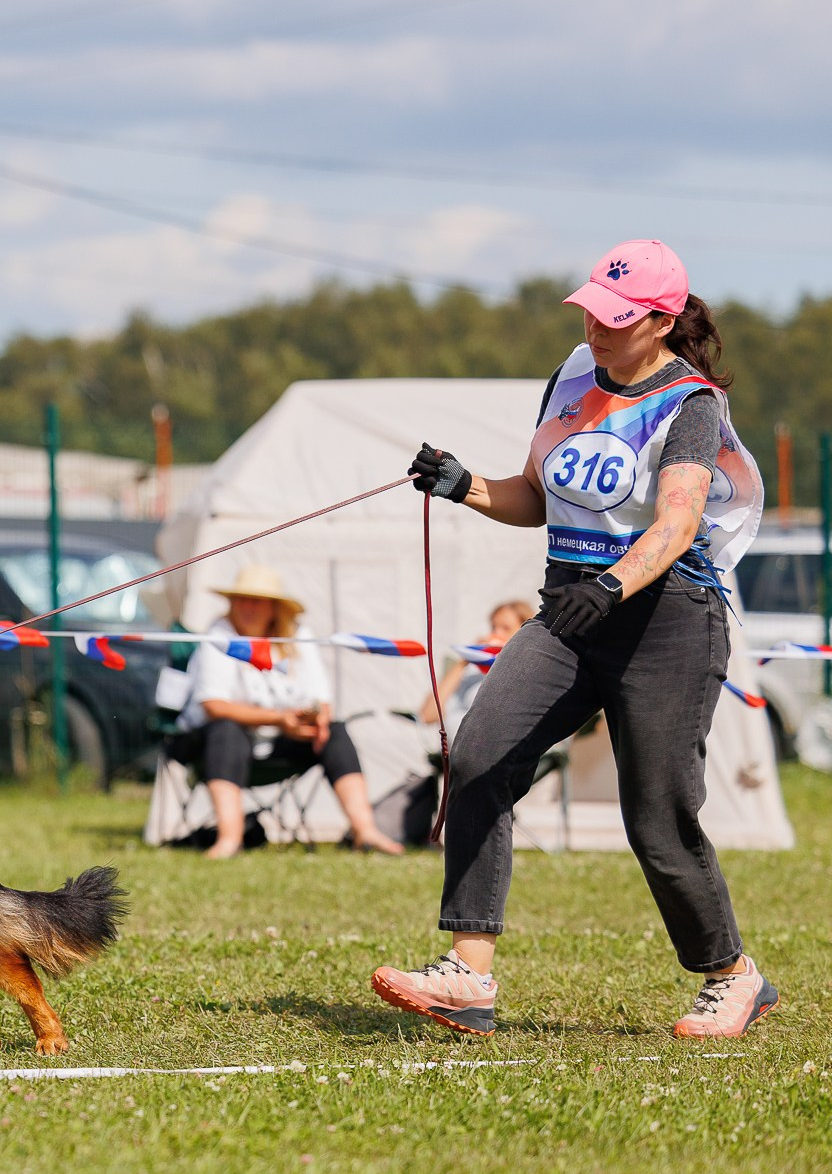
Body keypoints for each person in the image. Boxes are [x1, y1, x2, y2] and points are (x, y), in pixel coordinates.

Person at [369, 239, 777, 1039]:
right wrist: (466, 486)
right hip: (569, 612)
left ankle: (732, 974)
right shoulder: (571, 377)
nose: (596, 327)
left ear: (660, 322)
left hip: (668, 622)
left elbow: (678, 520)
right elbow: (539, 495)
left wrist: (614, 584)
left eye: (616, 318)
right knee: (480, 754)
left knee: (657, 817)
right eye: (591, 309)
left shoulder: (691, 404)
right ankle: (468, 975)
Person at [168, 564, 405, 859]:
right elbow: (214, 706)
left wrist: (314, 720)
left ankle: (365, 830)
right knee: (227, 731)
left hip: (279, 743)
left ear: (274, 608)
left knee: (335, 731)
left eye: (256, 600)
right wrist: (280, 719)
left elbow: (321, 698)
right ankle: (229, 838)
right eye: (241, 599)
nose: (247, 607)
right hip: (213, 747)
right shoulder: (219, 636)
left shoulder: (298, 638)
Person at [418, 599, 535, 741]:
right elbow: (427, 716)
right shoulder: (473, 674)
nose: (496, 633)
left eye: (506, 628)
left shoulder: (531, 672)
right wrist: (464, 660)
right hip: (455, 757)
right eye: (493, 627)